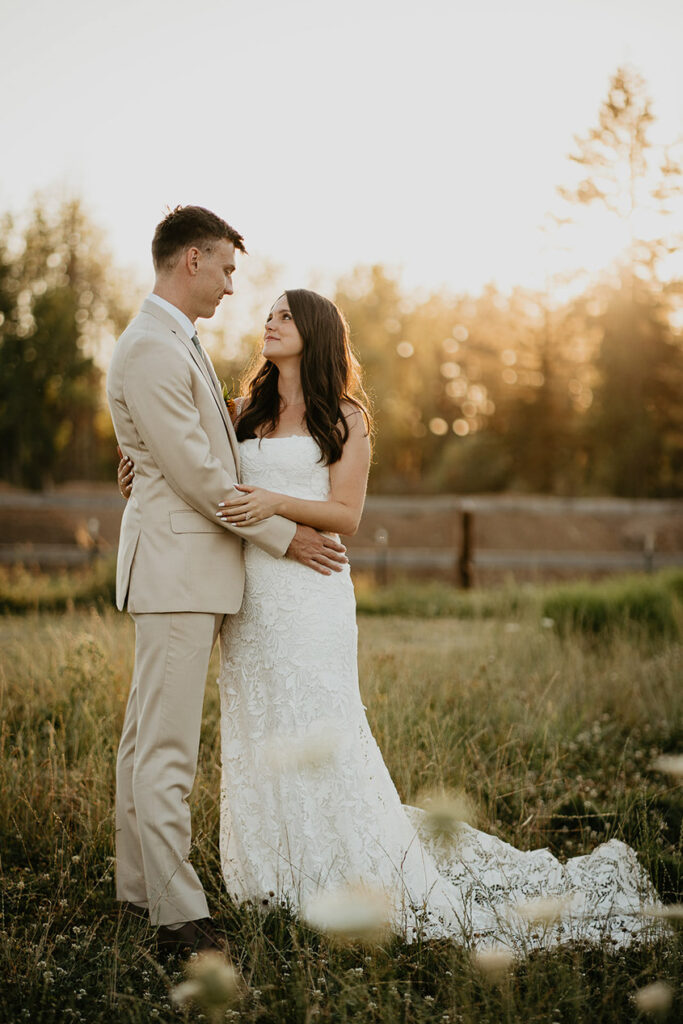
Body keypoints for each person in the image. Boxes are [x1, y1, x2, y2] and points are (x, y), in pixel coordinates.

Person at [120, 287, 664, 950]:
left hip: (310, 587)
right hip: (251, 594)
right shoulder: (240, 412)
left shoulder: (345, 417)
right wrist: (139, 470)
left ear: (315, 331)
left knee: (321, 723)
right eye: (266, 314)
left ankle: (345, 865)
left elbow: (346, 515)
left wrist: (272, 501)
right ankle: (273, 873)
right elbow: (185, 463)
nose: (268, 323)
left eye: (284, 315)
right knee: (260, 726)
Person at [106, 207, 347, 958]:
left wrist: (143, 467)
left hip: (184, 569)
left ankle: (138, 889)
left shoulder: (176, 342)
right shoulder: (152, 347)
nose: (232, 287)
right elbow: (201, 476)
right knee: (166, 749)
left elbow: (187, 453)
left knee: (145, 741)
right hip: (178, 573)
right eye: (226, 270)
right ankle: (178, 918)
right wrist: (286, 535)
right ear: (192, 262)